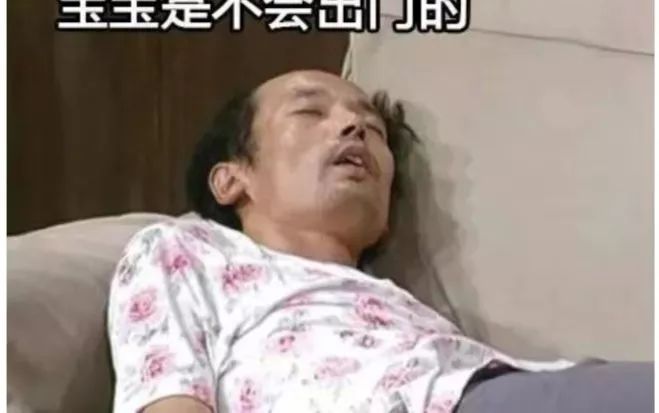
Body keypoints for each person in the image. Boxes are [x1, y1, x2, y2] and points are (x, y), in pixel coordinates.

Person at [107, 70, 652, 413]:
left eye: (373, 129)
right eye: (310, 111)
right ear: (231, 179)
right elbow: (168, 401)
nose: (353, 128)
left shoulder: (397, 306)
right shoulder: (185, 249)